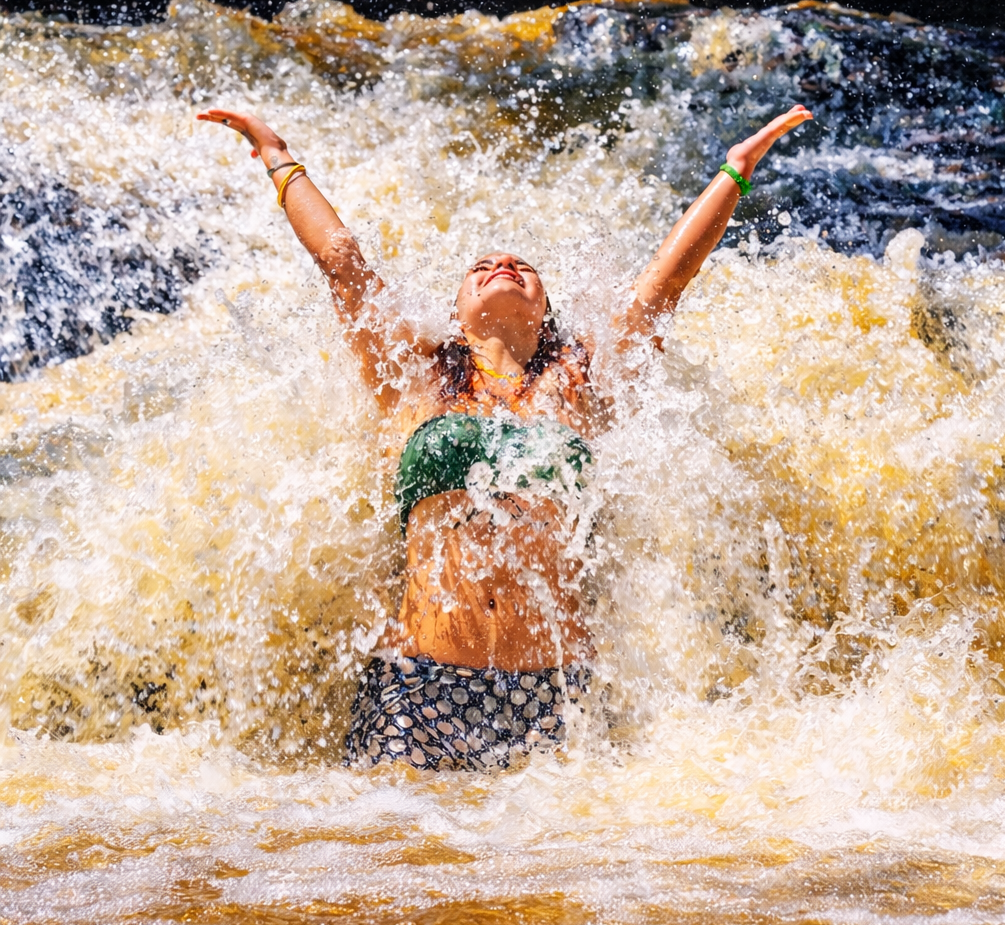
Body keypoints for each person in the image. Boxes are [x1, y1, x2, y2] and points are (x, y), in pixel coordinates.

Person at [198, 99, 812, 769]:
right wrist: (276, 151)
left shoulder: (581, 381)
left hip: (557, 688)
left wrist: (737, 169)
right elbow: (342, 260)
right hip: (417, 684)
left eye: (522, 266)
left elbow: (664, 284)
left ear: (545, 307)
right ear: (457, 311)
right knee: (396, 868)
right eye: (481, 267)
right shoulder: (417, 377)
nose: (502, 267)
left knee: (555, 874)